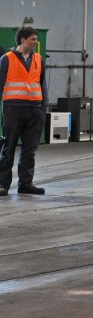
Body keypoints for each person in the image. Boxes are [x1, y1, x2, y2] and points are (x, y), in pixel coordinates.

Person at [0, 26, 47, 195]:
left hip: (35, 110)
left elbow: (43, 86)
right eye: (33, 39)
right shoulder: (7, 59)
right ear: (23, 40)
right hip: (13, 109)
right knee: (8, 148)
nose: (36, 42)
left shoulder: (39, 60)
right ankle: (3, 185)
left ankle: (25, 184)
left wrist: (43, 109)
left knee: (29, 150)